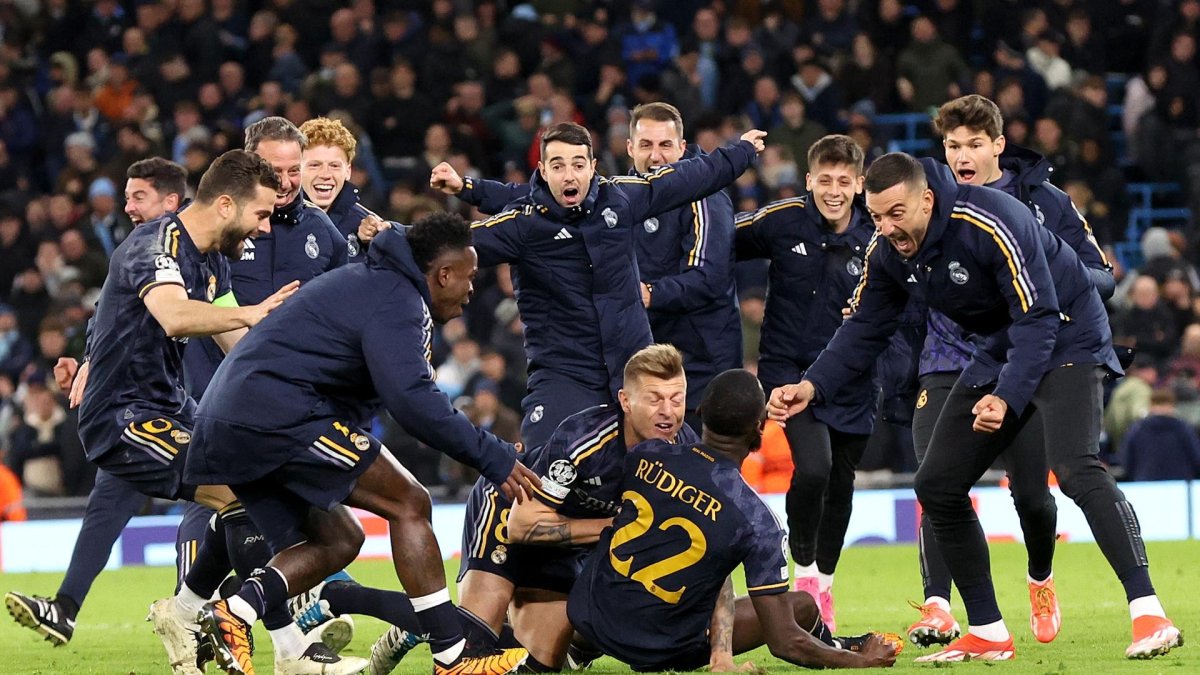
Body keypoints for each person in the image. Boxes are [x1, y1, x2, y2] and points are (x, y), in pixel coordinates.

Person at [768, 153, 1181, 662]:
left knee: (1075, 468)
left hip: (1067, 333)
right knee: (936, 484)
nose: (886, 228)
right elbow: (865, 327)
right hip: (1001, 344)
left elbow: (1038, 318)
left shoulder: (990, 220)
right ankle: (988, 631)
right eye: (875, 216)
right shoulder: (888, 249)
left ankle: (1150, 613)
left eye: (896, 213)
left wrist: (1005, 396)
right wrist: (812, 385)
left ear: (926, 199)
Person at [183, 213, 538, 675]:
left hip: (229, 424)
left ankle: (235, 612)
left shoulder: (374, 282)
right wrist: (492, 454)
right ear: (443, 274)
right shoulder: (399, 298)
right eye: (469, 278)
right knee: (409, 502)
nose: (472, 290)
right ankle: (454, 657)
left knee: (338, 538)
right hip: (276, 415)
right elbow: (413, 401)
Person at [905, 94, 1116, 648]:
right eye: (953, 145)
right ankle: (937, 606)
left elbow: (1103, 277)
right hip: (948, 359)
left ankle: (1040, 576)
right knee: (936, 482)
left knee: (1032, 496)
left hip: (1026, 359)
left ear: (998, 145)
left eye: (974, 144)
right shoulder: (928, 202)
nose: (963, 156)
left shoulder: (1046, 202)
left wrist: (1049, 270)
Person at [422, 121, 765, 448]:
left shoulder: (620, 198)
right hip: (565, 374)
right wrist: (391, 238)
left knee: (677, 464)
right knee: (544, 468)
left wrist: (742, 151)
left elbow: (693, 176)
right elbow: (442, 246)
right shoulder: (522, 225)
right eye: (558, 166)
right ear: (543, 171)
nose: (569, 175)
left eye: (578, 164)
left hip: (633, 367)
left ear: (592, 168)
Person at [567, 369, 899, 671]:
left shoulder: (647, 454)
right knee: (796, 607)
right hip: (663, 649)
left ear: (700, 412)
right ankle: (843, 650)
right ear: (759, 428)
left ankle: (576, 648)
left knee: (804, 606)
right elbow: (784, 642)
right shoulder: (757, 520)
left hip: (591, 616)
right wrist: (861, 662)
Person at [5, 157, 189, 646]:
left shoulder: (187, 251)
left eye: (138, 197)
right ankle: (65, 609)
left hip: (177, 405)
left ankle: (265, 606)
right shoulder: (137, 249)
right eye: (126, 197)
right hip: (140, 406)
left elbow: (193, 319)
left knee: (233, 497)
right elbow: (110, 320)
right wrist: (88, 361)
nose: (127, 207)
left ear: (171, 201)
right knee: (107, 506)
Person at [440, 344, 698, 672]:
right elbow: (521, 525)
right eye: (654, 399)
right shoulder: (585, 439)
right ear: (625, 401)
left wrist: (720, 655)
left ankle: (542, 633)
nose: (668, 412)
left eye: (677, 399)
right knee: (471, 649)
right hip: (509, 507)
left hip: (567, 542)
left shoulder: (687, 453)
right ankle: (421, 619)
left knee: (539, 666)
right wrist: (615, 526)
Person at [733, 134, 879, 631]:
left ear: (859, 184)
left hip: (855, 377)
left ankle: (825, 584)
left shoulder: (877, 233)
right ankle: (805, 571)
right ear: (809, 179)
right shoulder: (782, 220)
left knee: (841, 483)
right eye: (825, 180)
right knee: (815, 468)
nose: (833, 191)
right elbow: (719, 240)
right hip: (789, 374)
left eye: (844, 181)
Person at [298, 116, 374, 262]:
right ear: (297, 169)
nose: (325, 175)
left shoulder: (368, 226)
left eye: (334, 166)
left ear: (348, 171)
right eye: (314, 165)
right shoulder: (271, 223)